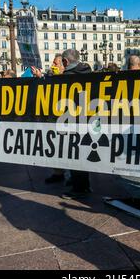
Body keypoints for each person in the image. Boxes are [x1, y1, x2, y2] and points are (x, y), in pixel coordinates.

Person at [60, 49, 93, 199]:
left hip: (72, 120)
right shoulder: (89, 72)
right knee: (83, 153)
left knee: (74, 154)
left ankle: (79, 188)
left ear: (66, 62)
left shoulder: (67, 77)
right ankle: (84, 185)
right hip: (88, 118)